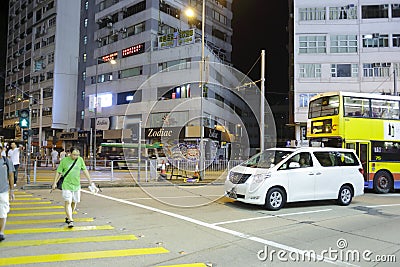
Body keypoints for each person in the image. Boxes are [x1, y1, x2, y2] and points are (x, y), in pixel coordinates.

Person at [52, 147, 97, 228]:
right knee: (68, 201)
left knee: (74, 202)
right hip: (66, 184)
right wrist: (54, 183)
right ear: (70, 153)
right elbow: (59, 172)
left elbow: (85, 170)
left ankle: (69, 216)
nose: (76, 156)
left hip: (76, 185)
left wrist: (90, 181)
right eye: (74, 155)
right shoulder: (64, 160)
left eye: (77, 155)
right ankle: (71, 220)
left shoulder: (80, 160)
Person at [0, 145, 15, 241]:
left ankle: (1, 232)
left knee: (3, 213)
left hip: (3, 191)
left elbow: (11, 175)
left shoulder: (7, 161)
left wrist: (12, 190)